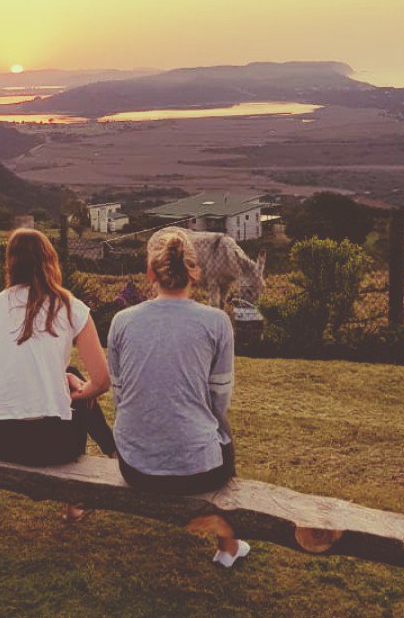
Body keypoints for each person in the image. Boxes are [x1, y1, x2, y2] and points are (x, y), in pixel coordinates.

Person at [107, 228, 250, 568]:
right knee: (224, 437)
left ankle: (228, 544)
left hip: (135, 466)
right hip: (200, 471)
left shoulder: (121, 321)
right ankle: (228, 549)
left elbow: (119, 395)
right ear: (194, 272)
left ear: (150, 274)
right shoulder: (217, 322)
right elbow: (219, 402)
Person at [0, 228, 115, 522]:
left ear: (10, 263)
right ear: (50, 260)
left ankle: (111, 454)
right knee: (74, 377)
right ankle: (80, 495)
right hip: (52, 443)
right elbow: (102, 381)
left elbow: (19, 365)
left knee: (69, 374)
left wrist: (64, 383)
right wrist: (77, 394)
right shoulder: (69, 306)